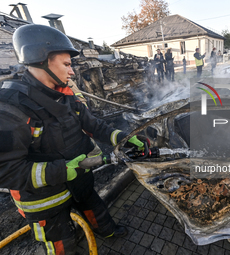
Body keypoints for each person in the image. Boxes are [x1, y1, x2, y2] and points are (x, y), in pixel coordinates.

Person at [0, 24, 145, 255]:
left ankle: (107, 232)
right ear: (41, 59)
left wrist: (123, 138)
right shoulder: (10, 107)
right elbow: (5, 170)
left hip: (79, 178)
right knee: (61, 245)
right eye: (67, 65)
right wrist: (61, 171)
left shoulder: (65, 94)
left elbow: (93, 124)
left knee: (95, 208)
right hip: (44, 198)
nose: (72, 72)